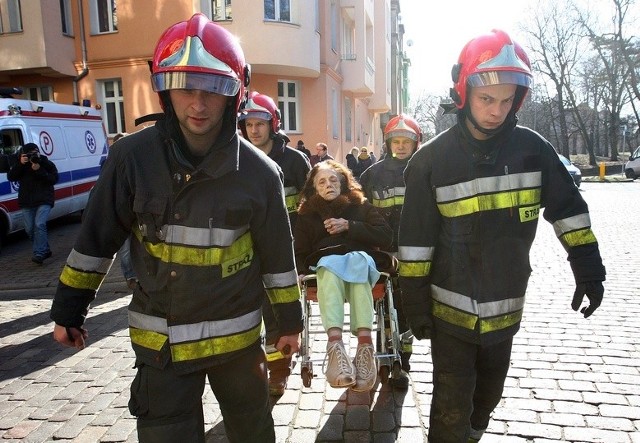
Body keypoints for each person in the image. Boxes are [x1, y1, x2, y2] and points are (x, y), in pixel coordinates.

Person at [49, 14, 303, 443]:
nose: (198, 105)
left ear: (234, 93)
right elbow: (96, 238)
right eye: (186, 89)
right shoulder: (132, 158)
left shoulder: (261, 173)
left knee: (253, 434)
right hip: (160, 346)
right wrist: (68, 310)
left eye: (212, 91)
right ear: (165, 89)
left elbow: (278, 258)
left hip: (236, 346)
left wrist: (289, 324)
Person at [397, 29, 606, 443]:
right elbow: (415, 245)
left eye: (506, 100)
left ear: (518, 99)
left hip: (506, 312)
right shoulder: (430, 162)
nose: (496, 110)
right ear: (465, 92)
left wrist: (589, 270)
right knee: (450, 408)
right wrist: (413, 305)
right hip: (449, 315)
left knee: (486, 400)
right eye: (486, 99)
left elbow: (569, 213)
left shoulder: (534, 150)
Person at [293, 160, 393, 392]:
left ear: (343, 183)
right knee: (328, 264)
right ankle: (336, 348)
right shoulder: (306, 216)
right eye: (322, 181)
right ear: (313, 188)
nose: (328, 184)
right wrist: (298, 271)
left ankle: (365, 350)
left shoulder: (362, 207)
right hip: (325, 270)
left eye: (333, 180)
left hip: (362, 264)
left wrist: (350, 225)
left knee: (357, 261)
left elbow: (385, 236)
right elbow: (299, 251)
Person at [238, 91, 311, 396]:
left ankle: (279, 370)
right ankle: (270, 367)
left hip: (287, 251)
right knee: (259, 313)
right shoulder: (236, 158)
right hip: (249, 251)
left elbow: (310, 210)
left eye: (260, 124)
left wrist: (304, 257)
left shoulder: (295, 162)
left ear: (273, 124)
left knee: (281, 313)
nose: (254, 130)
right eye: (249, 124)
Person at [359, 114, 422, 389]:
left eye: (405, 142)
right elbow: (361, 214)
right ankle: (384, 359)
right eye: (395, 141)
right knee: (383, 308)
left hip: (415, 252)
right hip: (382, 254)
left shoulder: (423, 171)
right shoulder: (371, 175)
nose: (400, 146)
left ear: (414, 144)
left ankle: (403, 362)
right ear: (387, 143)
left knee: (408, 308)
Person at [7, 142, 58, 264]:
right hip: (27, 201)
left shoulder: (45, 163)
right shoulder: (20, 164)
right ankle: (45, 248)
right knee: (29, 229)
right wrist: (20, 164)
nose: (31, 157)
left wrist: (39, 170)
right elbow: (11, 177)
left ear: (38, 152)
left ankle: (39, 253)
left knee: (39, 224)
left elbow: (54, 179)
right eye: (28, 154)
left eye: (34, 153)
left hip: (44, 198)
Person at [111, 132, 137, 289]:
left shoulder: (138, 161)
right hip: (121, 213)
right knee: (125, 249)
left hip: (137, 212)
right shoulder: (109, 164)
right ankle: (131, 276)